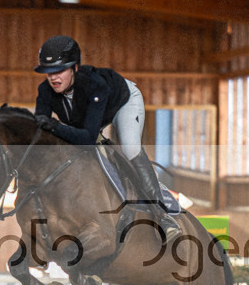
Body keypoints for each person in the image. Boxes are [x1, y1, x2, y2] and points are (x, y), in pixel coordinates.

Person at [32, 35, 181, 242]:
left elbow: (87, 138)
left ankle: (162, 214)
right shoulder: (45, 91)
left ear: (75, 68)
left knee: (129, 148)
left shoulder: (95, 86)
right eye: (48, 72)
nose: (52, 78)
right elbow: (41, 133)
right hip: (90, 115)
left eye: (59, 71)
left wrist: (56, 126)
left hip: (123, 102)